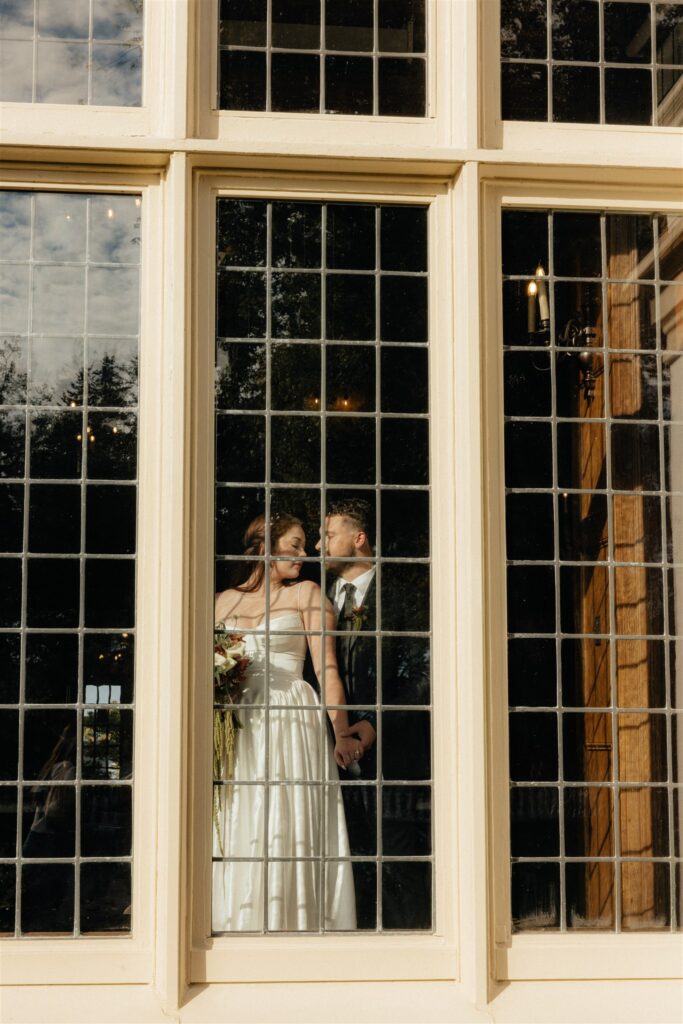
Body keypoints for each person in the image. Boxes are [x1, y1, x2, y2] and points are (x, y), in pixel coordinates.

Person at [212, 513, 359, 932]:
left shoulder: (308, 595)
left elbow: (327, 667)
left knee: (284, 815)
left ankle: (293, 923)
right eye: (293, 545)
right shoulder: (223, 601)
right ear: (263, 547)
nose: (303, 554)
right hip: (236, 724)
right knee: (239, 814)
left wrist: (342, 731)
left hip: (290, 717)